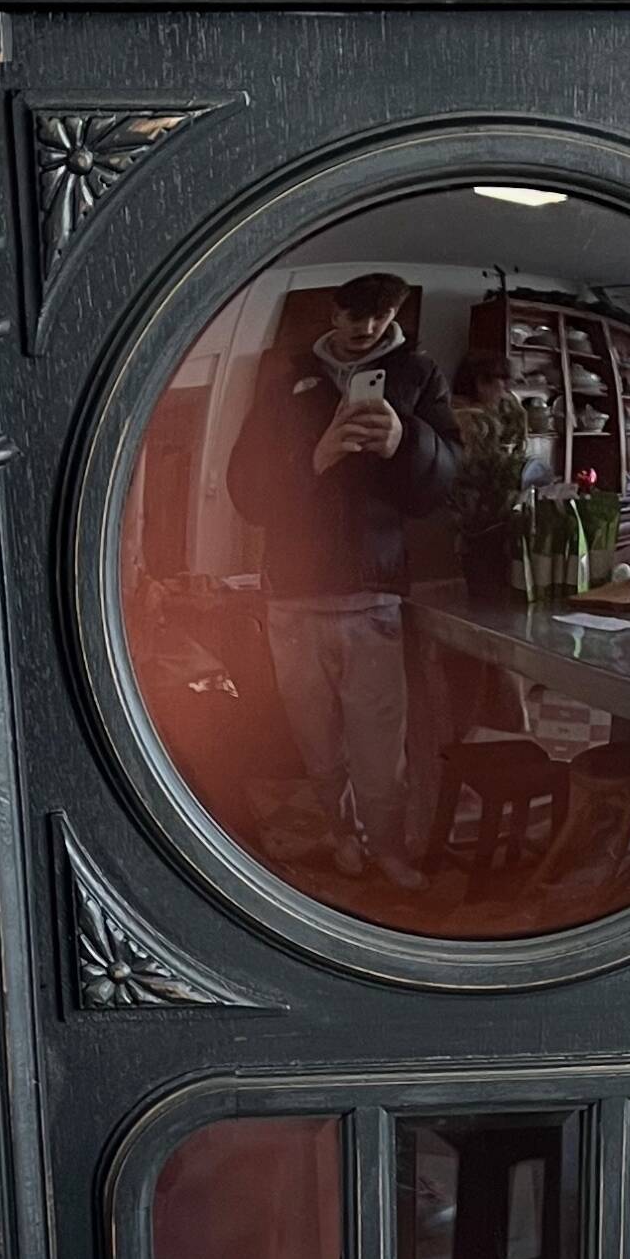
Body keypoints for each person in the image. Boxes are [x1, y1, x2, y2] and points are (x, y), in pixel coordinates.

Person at [227, 270, 459, 884]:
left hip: (372, 593)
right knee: (318, 744)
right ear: (334, 313)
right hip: (292, 594)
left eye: (382, 317)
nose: (369, 329)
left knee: (382, 749)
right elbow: (245, 490)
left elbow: (446, 485)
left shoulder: (417, 374)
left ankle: (386, 848)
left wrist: (408, 441)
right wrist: (317, 457)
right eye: (357, 316)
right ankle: (341, 835)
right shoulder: (285, 374)